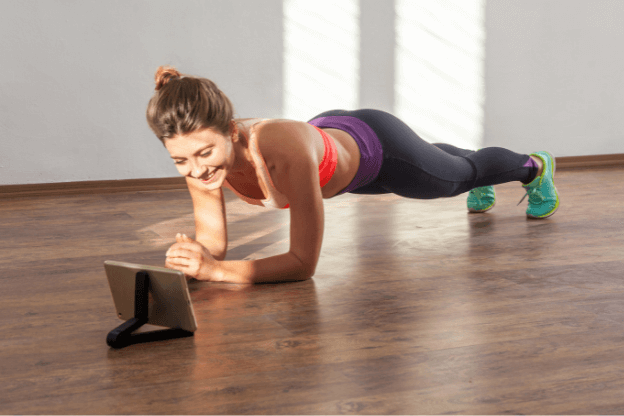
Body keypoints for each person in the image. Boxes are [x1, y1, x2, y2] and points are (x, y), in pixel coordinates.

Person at [146, 66, 560, 284]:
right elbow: (214, 244)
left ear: (231, 131)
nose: (197, 170)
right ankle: (470, 165)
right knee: (441, 165)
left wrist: (217, 272)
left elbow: (302, 264)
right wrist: (195, 261)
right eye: (180, 161)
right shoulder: (197, 159)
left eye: (204, 154)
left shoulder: (281, 153)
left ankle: (533, 167)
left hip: (378, 149)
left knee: (457, 178)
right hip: (336, 153)